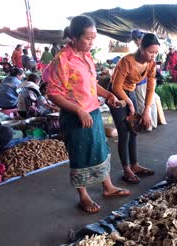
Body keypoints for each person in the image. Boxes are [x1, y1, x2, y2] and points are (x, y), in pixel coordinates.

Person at [46, 15, 130, 214]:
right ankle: (83, 196)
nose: (92, 42)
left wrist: (108, 94)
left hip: (92, 111)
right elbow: (53, 94)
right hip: (75, 116)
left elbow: (91, 85)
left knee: (100, 149)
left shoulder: (87, 55)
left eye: (94, 38)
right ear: (73, 37)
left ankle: (107, 187)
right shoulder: (62, 60)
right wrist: (78, 110)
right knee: (80, 154)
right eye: (88, 38)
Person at [110, 33, 160, 184]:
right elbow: (116, 86)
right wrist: (130, 104)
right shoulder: (127, 61)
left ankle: (135, 165)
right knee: (124, 131)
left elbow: (151, 87)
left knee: (134, 128)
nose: (153, 55)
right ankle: (126, 169)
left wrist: (146, 111)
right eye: (151, 52)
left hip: (130, 92)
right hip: (116, 95)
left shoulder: (151, 63)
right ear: (141, 47)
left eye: (156, 52)